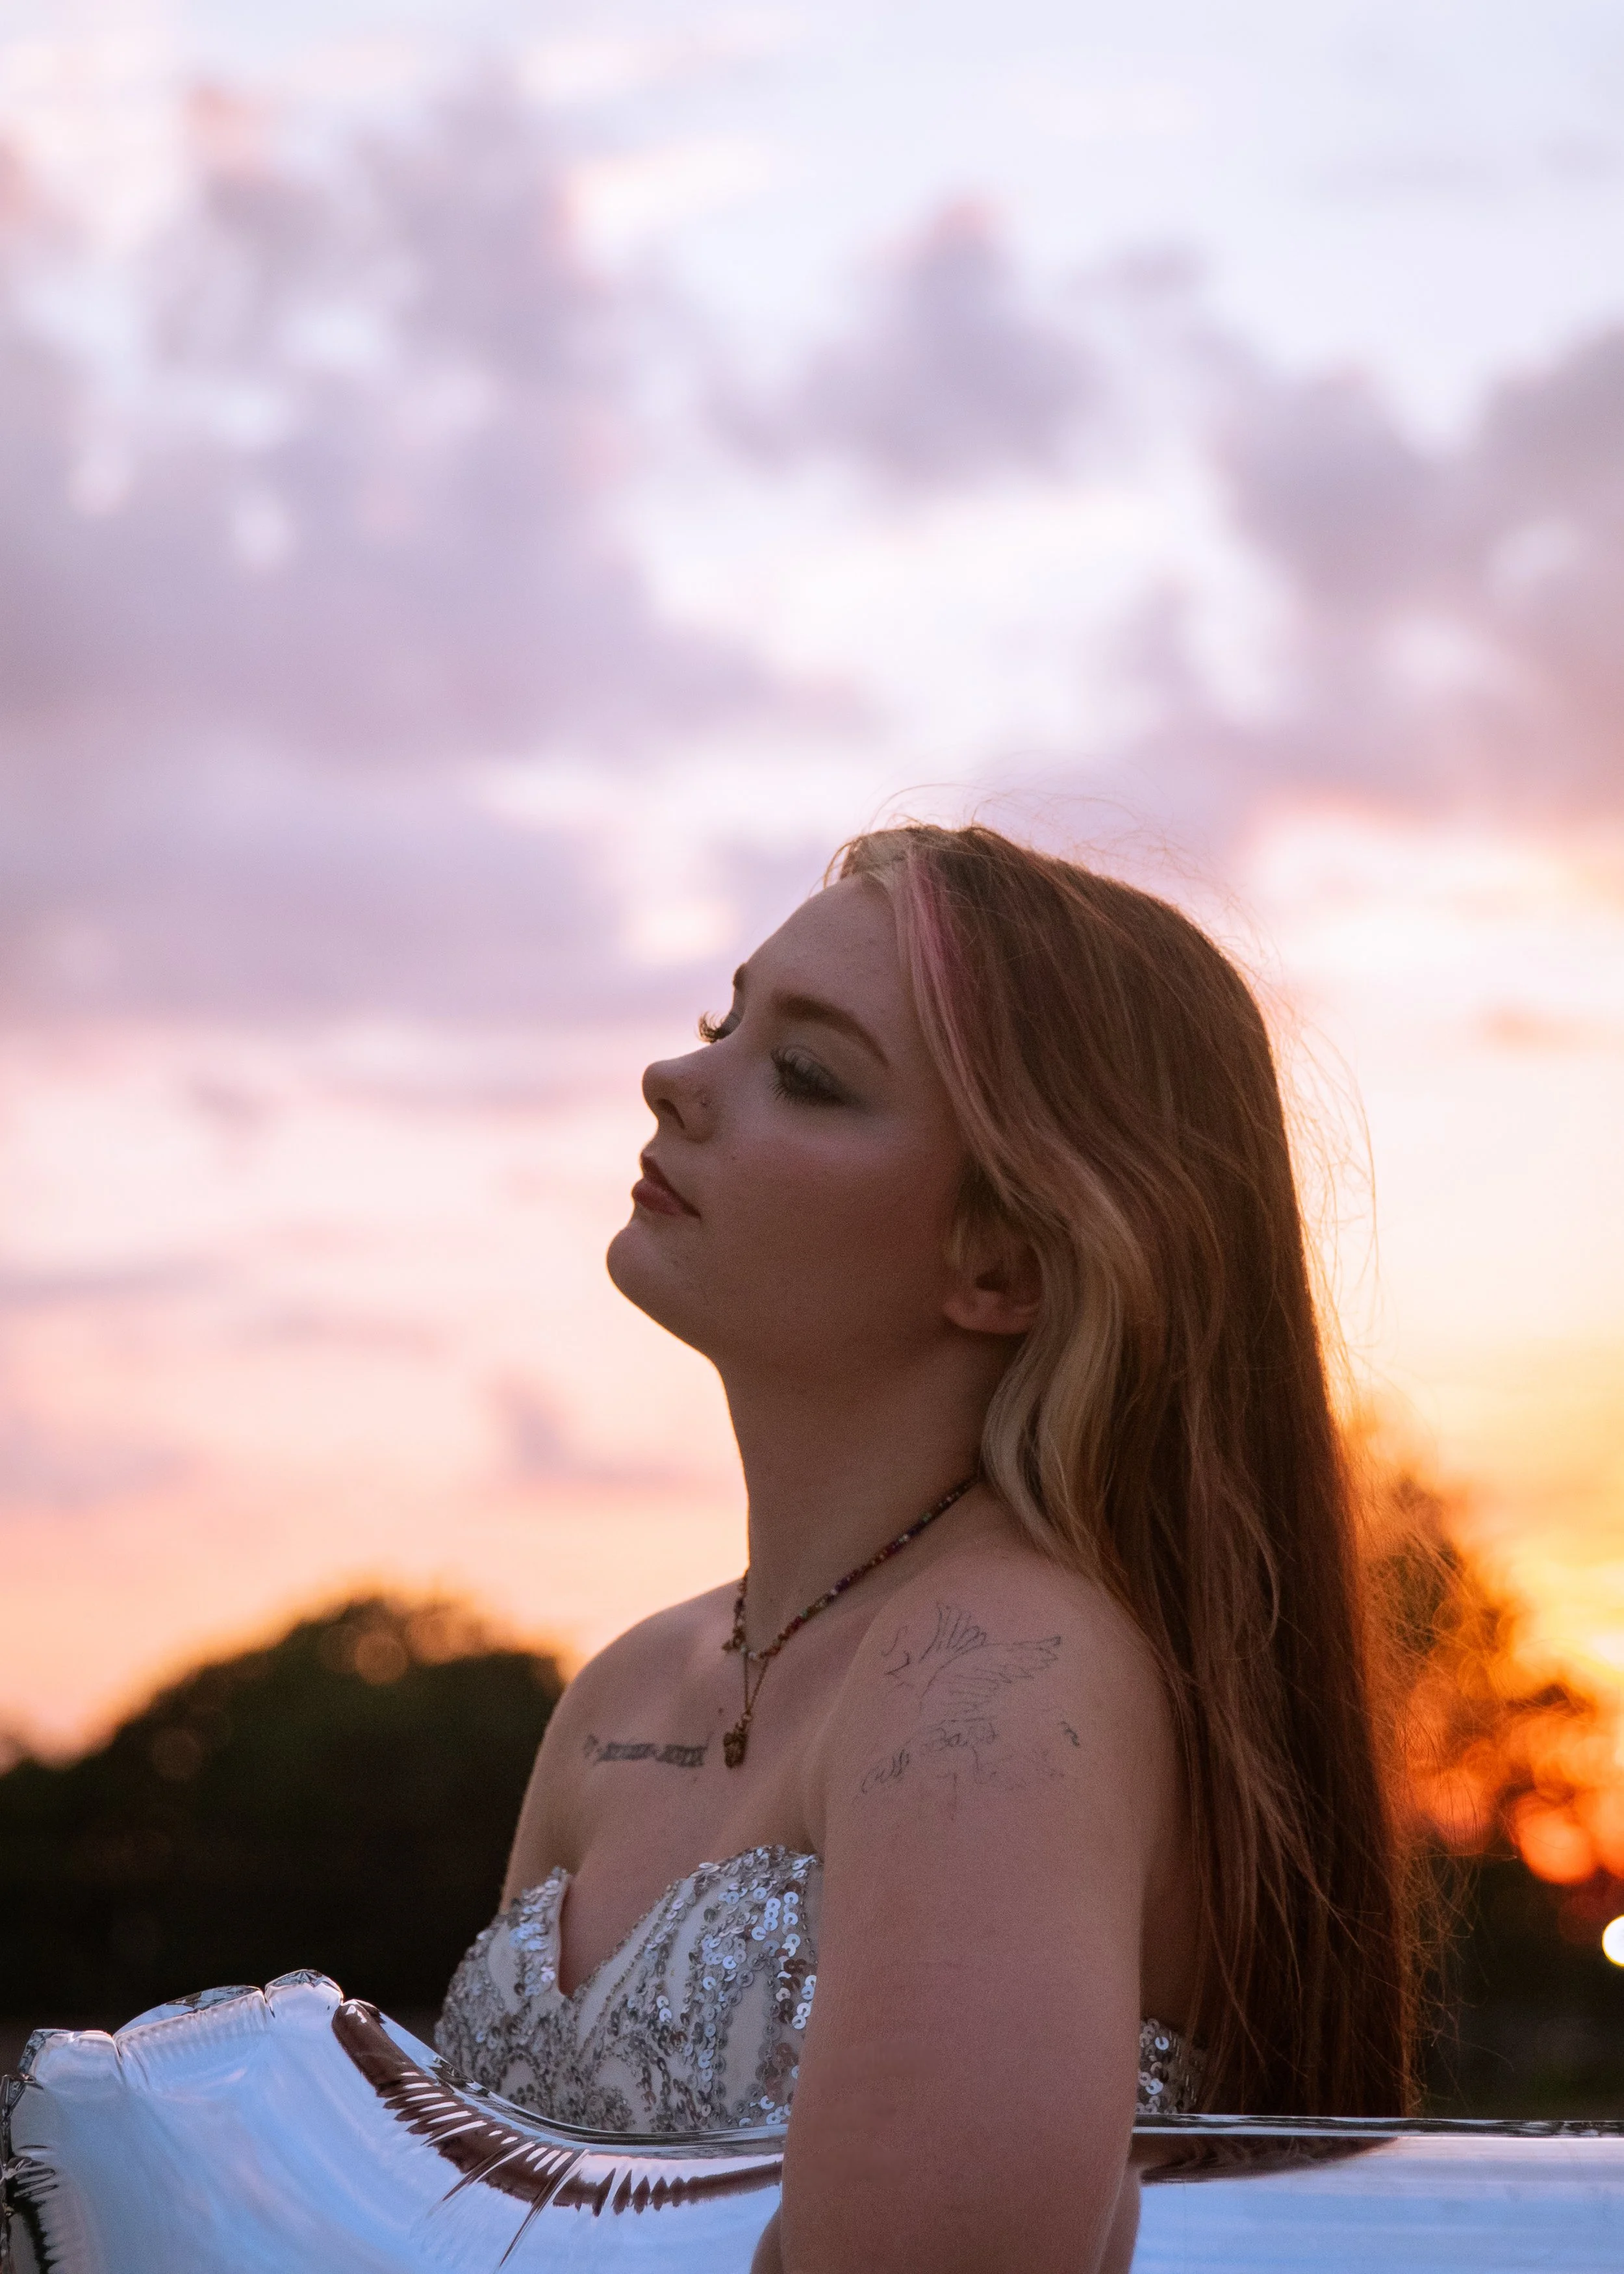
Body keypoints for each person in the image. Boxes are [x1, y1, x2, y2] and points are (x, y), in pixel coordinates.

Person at [436, 823, 1415, 2273]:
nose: (671, 1079)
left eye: (805, 1071)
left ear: (1003, 1263)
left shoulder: (1005, 1670)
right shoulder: (630, 1686)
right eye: (721, 1023)